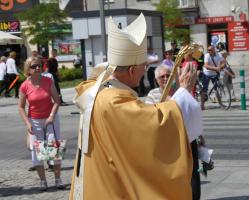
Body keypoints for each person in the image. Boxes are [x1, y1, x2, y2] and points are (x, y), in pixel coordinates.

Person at [69, 13, 203, 200]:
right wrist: (185, 91)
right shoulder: (114, 101)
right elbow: (156, 127)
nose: (144, 71)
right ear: (131, 70)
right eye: (144, 67)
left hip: (99, 179)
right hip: (111, 187)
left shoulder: (97, 89)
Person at [145, 64, 202, 200]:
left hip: (188, 138)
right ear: (156, 80)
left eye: (168, 75)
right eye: (162, 76)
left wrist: (201, 138)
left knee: (193, 172)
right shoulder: (153, 94)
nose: (165, 78)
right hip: (168, 142)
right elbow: (149, 116)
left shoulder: (181, 90)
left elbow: (193, 111)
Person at [18, 56, 64, 191]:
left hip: (51, 119)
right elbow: (21, 107)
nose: (37, 68)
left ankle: (58, 179)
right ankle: (43, 181)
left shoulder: (48, 81)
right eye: (33, 66)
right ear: (28, 69)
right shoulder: (24, 86)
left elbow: (57, 100)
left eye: (39, 65)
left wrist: (51, 116)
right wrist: (27, 123)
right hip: (35, 121)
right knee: (37, 151)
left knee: (53, 149)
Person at [201, 46, 225, 110]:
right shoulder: (207, 55)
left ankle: (220, 104)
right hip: (207, 73)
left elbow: (224, 63)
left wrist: (220, 67)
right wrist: (215, 68)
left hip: (215, 74)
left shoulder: (219, 55)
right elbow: (206, 65)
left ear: (214, 50)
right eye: (208, 50)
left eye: (210, 50)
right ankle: (202, 105)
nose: (209, 51)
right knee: (204, 89)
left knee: (217, 89)